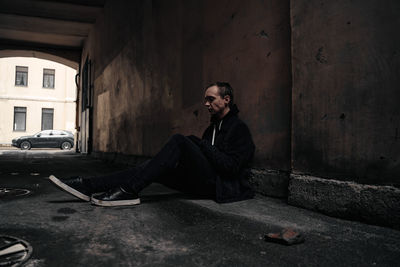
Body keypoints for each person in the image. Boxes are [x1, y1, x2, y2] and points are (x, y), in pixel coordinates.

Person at [49, 82, 255, 207]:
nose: (206, 104)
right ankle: (88, 186)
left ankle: (129, 190)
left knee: (179, 141)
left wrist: (201, 145)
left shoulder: (239, 129)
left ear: (226, 99)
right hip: (199, 183)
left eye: (211, 99)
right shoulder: (211, 129)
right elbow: (206, 157)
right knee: (150, 168)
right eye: (205, 100)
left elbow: (231, 168)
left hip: (220, 187)